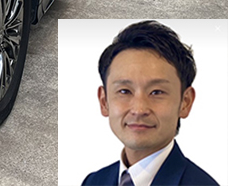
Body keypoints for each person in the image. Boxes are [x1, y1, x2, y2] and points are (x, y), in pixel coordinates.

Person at [82, 21, 219, 186]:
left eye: (157, 92)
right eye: (124, 91)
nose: (139, 109)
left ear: (185, 102)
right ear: (104, 102)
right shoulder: (94, 181)